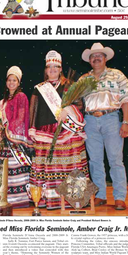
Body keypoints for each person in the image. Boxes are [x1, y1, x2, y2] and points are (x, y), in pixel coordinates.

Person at [29, 50, 89, 210]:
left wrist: (68, 110)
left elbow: (80, 106)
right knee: (49, 167)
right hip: (45, 133)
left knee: (70, 166)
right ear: (46, 69)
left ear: (61, 68)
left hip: (67, 131)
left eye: (56, 66)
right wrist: (32, 128)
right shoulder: (40, 88)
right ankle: (49, 200)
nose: (53, 70)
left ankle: (74, 200)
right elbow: (34, 109)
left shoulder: (70, 85)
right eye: (49, 67)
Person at [80, 43, 128, 210]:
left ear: (105, 58)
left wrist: (125, 122)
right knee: (95, 161)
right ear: (89, 60)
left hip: (111, 118)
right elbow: (76, 103)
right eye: (93, 56)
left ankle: (119, 197)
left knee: (115, 160)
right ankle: (100, 196)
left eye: (99, 55)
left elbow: (127, 98)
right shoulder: (83, 79)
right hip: (89, 121)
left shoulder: (117, 75)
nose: (96, 58)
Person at [0, 66, 33, 208]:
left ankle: (18, 199)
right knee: (4, 170)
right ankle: (3, 197)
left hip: (13, 139)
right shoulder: (3, 100)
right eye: (9, 80)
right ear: (6, 82)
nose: (11, 83)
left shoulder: (21, 97)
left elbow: (21, 118)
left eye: (14, 80)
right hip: (3, 140)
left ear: (18, 83)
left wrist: (8, 130)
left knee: (14, 168)